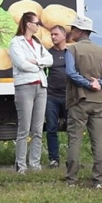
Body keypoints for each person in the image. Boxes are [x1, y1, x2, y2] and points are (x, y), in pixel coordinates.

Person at [64, 15, 102, 188]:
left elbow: (70, 73)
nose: (71, 31)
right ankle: (99, 180)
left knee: (75, 140)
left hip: (78, 100)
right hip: (98, 102)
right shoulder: (101, 51)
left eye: (73, 28)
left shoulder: (72, 50)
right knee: (98, 141)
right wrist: (101, 82)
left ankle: (72, 179)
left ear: (79, 31)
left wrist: (87, 83)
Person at [9, 11, 53, 174]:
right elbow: (21, 64)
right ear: (28, 24)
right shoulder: (16, 43)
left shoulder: (37, 42)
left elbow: (50, 60)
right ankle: (21, 165)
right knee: (24, 128)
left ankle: (35, 163)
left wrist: (38, 62)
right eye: (36, 22)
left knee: (38, 128)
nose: (38, 25)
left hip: (41, 86)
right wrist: (38, 66)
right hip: (25, 86)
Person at [44, 25, 69, 168]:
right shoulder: (48, 54)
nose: (53, 37)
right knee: (51, 128)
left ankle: (72, 159)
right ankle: (54, 159)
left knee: (71, 128)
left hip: (68, 96)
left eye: (56, 34)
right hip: (51, 96)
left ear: (64, 36)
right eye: (51, 35)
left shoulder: (70, 53)